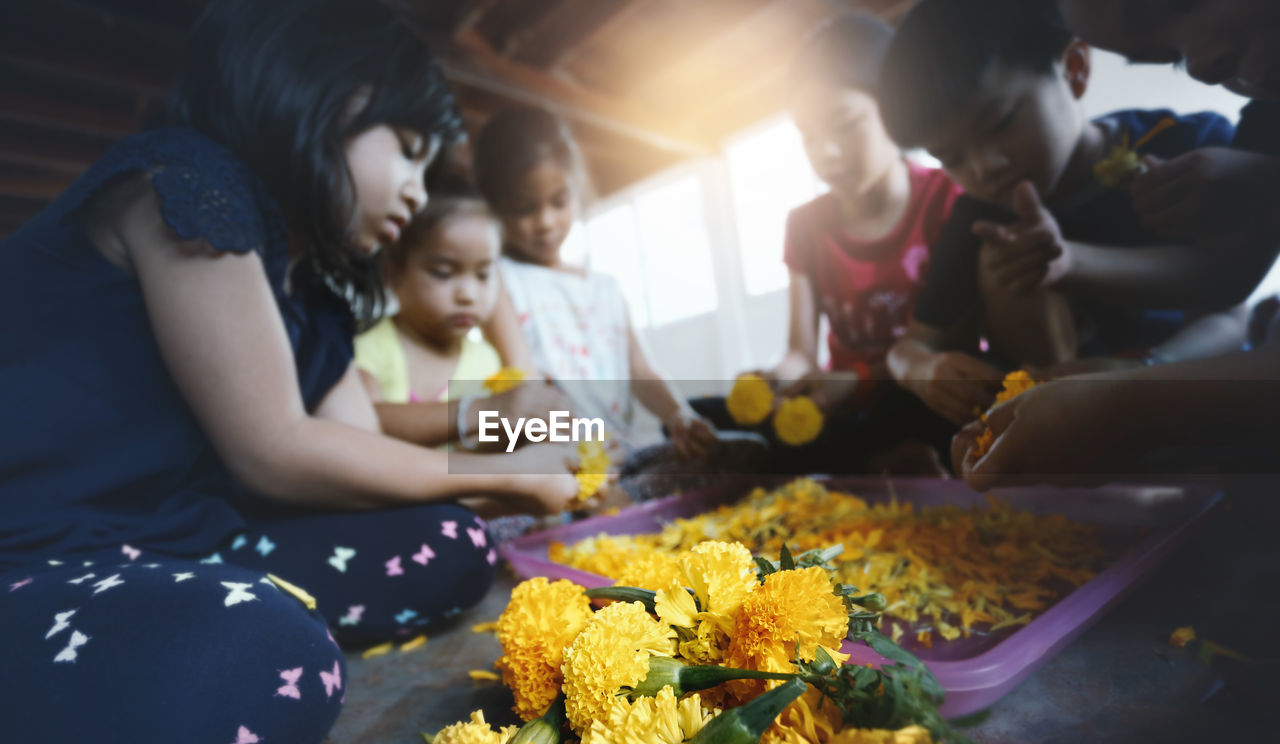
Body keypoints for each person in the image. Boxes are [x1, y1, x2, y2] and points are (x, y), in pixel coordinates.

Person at [0, 0, 578, 744]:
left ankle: (192, 612)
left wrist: (503, 480)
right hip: (34, 545)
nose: (417, 190)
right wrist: (500, 468)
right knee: (262, 662)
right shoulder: (190, 186)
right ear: (332, 97)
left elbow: (359, 450)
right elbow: (273, 447)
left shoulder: (313, 296)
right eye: (408, 152)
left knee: (451, 541)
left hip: (170, 537)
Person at [878, 0, 1259, 429]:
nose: (985, 167)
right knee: (1002, 255)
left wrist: (1146, 369)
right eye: (951, 157)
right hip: (1058, 421)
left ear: (1074, 69)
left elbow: (1228, 315)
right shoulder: (982, 215)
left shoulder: (1191, 150)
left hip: (1185, 400)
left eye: (1000, 122)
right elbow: (909, 348)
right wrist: (926, 372)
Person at [947, 0, 1280, 488]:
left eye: (1182, 4)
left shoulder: (1195, 137)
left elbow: (1225, 304)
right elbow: (1225, 274)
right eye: (1169, 55)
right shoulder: (1267, 120)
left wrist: (1125, 398)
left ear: (1074, 71)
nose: (1203, 70)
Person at [694, 14, 959, 474]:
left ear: (895, 108)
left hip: (918, 393)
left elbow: (954, 344)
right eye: (810, 138)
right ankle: (885, 462)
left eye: (845, 125)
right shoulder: (804, 226)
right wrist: (778, 379)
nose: (827, 154)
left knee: (935, 403)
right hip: (843, 407)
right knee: (711, 414)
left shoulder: (946, 201)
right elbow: (800, 351)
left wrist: (857, 380)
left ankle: (898, 459)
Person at [472, 106, 718, 462]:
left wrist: (679, 415)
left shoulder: (606, 289)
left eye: (559, 202)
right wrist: (581, 445)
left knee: (743, 454)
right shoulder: (500, 281)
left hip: (624, 454)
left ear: (575, 190)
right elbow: (524, 385)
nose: (545, 222)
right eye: (525, 208)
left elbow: (641, 370)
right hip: (563, 463)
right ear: (495, 206)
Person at [353, 185, 572, 447]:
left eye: (483, 275)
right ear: (392, 273)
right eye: (443, 273)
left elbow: (486, 445)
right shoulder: (370, 345)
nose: (468, 295)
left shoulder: (487, 361)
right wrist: (482, 411)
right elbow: (361, 423)